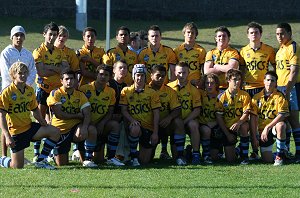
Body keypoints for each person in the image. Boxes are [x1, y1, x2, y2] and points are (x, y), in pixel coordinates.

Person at [0, 62, 60, 169]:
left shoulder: (29, 90)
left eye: (25, 73)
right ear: (14, 75)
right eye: (20, 73)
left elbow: (35, 109)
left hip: (29, 128)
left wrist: (42, 121)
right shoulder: (7, 92)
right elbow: (2, 116)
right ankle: (2, 160)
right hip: (16, 132)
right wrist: (7, 136)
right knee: (17, 166)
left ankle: (41, 161)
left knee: (54, 131)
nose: (23, 75)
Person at [239, 21, 276, 160]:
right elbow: (241, 70)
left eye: (256, 32)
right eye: (251, 33)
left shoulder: (269, 50)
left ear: (261, 34)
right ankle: (253, 149)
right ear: (248, 35)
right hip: (248, 88)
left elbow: (275, 67)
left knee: (260, 119)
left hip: (262, 89)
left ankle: (264, 146)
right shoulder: (243, 51)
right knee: (248, 121)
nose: (254, 35)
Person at [32, 22, 69, 160]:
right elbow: (41, 72)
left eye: (55, 35)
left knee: (55, 121)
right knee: (40, 120)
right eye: (50, 34)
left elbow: (65, 69)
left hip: (56, 92)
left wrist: (50, 67)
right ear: (44, 35)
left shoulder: (60, 51)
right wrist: (56, 68)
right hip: (43, 89)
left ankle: (49, 153)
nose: (52, 37)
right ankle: (36, 152)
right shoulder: (38, 51)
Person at [47, 69, 97, 167]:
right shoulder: (56, 93)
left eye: (71, 78)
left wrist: (84, 127)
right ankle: (53, 154)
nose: (69, 81)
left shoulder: (80, 95)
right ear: (61, 81)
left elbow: (87, 114)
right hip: (60, 130)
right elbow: (59, 114)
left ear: (75, 80)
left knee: (91, 129)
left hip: (75, 129)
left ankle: (88, 159)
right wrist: (77, 115)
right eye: (66, 79)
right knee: (62, 164)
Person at [0, 25, 37, 157]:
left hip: (24, 92)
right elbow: (5, 73)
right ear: (12, 37)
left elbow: (33, 71)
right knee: (8, 123)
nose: (19, 38)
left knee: (20, 123)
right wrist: (16, 87)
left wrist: (24, 86)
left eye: (21, 35)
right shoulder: (6, 53)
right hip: (9, 92)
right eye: (16, 35)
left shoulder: (27, 54)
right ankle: (4, 155)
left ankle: (17, 153)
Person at [79, 65, 124, 166]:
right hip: (85, 124)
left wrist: (102, 123)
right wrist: (87, 123)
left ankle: (111, 158)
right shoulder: (84, 89)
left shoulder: (111, 92)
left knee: (115, 125)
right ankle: (87, 159)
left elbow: (110, 111)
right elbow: (79, 109)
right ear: (96, 75)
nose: (103, 77)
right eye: (101, 74)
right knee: (61, 162)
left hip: (100, 124)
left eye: (106, 75)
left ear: (110, 77)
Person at [120, 64, 161, 166]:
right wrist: (132, 120)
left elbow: (156, 114)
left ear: (145, 77)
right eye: (137, 75)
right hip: (133, 126)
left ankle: (133, 154)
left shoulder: (152, 92)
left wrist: (155, 132)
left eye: (142, 75)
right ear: (133, 76)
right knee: (135, 128)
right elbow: (123, 110)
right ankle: (133, 157)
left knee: (145, 161)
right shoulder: (126, 91)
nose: (140, 78)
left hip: (148, 128)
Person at [148, 64, 186, 165]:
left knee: (178, 122)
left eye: (163, 76)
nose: (161, 78)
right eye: (158, 75)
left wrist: (169, 118)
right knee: (146, 160)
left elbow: (177, 109)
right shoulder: (145, 89)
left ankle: (180, 155)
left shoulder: (169, 91)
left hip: (165, 125)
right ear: (151, 75)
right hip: (149, 126)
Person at [250, 71, 289, 166]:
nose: (270, 83)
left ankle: (279, 156)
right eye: (268, 80)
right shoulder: (256, 97)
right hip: (262, 131)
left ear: (276, 83)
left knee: (281, 125)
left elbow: (282, 115)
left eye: (272, 80)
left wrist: (268, 127)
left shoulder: (280, 96)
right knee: (267, 160)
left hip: (273, 128)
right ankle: (283, 152)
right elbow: (253, 118)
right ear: (263, 81)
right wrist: (255, 136)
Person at [168, 62, 202, 164]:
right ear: (174, 73)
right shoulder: (168, 87)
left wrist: (185, 121)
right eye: (179, 73)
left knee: (194, 124)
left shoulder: (193, 90)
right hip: (173, 122)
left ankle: (196, 154)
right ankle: (184, 153)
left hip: (188, 120)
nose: (182, 75)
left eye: (184, 73)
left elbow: (197, 110)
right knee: (175, 158)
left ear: (188, 73)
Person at [275, 23, 300, 162]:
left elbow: (294, 72)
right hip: (279, 88)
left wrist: (288, 90)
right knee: (284, 121)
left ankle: (299, 153)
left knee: (294, 121)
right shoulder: (280, 49)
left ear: (290, 33)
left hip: (290, 88)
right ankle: (285, 151)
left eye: (282, 33)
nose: (279, 36)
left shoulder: (293, 47)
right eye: (277, 34)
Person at [215, 69, 251, 164]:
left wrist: (239, 123)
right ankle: (238, 150)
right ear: (228, 80)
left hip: (239, 125)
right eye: (235, 79)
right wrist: (227, 134)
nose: (238, 82)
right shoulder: (221, 97)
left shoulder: (245, 95)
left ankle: (244, 156)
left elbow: (246, 113)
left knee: (244, 127)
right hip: (227, 128)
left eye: (239, 79)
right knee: (231, 160)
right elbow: (219, 118)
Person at [108, 60, 130, 162]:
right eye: (120, 68)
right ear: (114, 70)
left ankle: (125, 154)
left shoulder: (126, 86)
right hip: (107, 117)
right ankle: (118, 155)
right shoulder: (109, 84)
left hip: (121, 116)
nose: (123, 70)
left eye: (125, 68)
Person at [174, 22, 206, 86]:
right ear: (184, 33)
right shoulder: (176, 50)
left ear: (195, 35)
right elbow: (173, 70)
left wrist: (201, 82)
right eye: (188, 32)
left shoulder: (201, 50)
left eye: (192, 33)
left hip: (195, 84)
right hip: (181, 83)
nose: (190, 34)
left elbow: (204, 71)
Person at [198, 73, 220, 164]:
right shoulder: (200, 94)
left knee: (215, 156)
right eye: (207, 83)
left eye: (212, 83)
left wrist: (215, 123)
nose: (209, 85)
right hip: (203, 124)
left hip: (217, 124)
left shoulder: (221, 96)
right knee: (206, 130)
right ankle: (206, 155)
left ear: (216, 84)